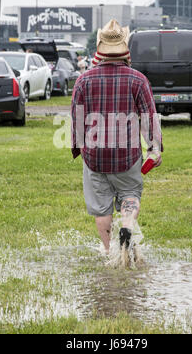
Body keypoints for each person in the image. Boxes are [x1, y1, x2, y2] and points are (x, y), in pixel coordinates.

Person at [71, 19, 163, 259]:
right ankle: (127, 227)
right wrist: (155, 148)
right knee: (130, 195)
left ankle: (111, 252)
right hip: (128, 156)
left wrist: (79, 147)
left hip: (95, 157)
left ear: (100, 49)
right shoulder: (138, 79)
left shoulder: (84, 80)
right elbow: (149, 117)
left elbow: (76, 120)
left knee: (102, 208)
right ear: (125, 49)